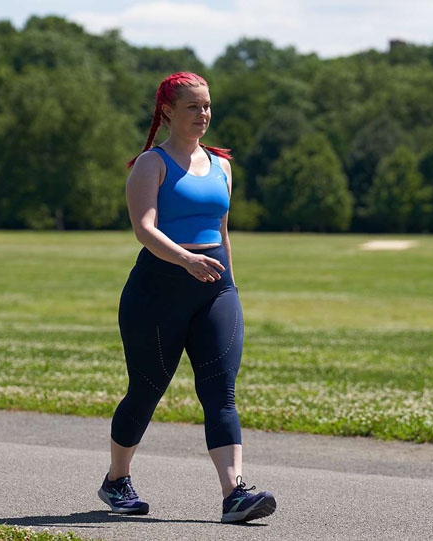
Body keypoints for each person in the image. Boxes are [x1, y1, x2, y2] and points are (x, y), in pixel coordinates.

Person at [97, 72, 276, 524]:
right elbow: (145, 228)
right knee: (146, 390)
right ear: (168, 112)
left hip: (214, 290)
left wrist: (229, 285)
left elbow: (221, 231)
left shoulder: (222, 166)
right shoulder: (150, 164)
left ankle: (234, 494)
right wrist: (185, 261)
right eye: (193, 107)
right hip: (158, 290)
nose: (203, 115)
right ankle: (117, 480)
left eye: (207, 106)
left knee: (221, 391)